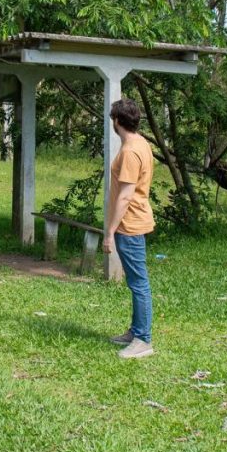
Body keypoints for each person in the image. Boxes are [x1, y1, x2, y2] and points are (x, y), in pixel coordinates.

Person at [102, 98, 155, 360]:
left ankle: (143, 340)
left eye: (113, 118)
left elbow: (125, 195)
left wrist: (110, 231)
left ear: (117, 121)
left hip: (130, 224)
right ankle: (136, 331)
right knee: (137, 282)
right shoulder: (141, 143)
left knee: (138, 283)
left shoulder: (130, 152)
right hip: (134, 221)